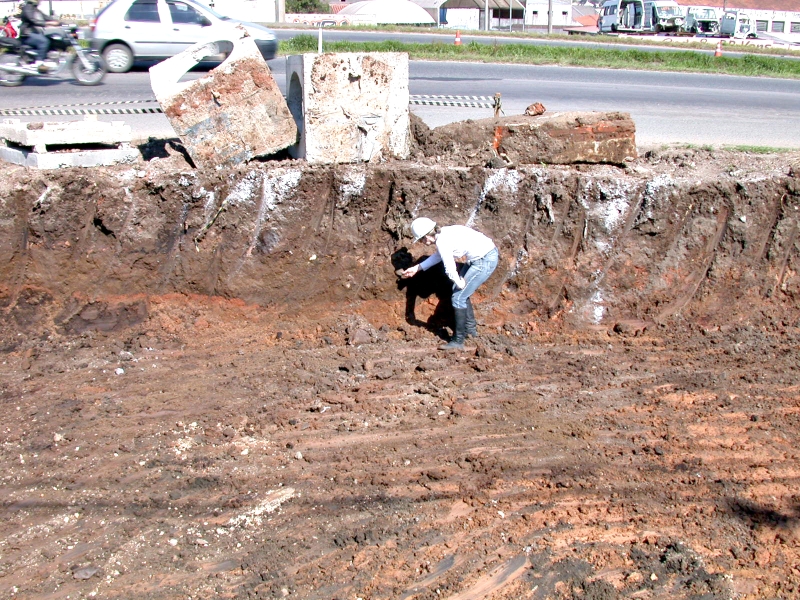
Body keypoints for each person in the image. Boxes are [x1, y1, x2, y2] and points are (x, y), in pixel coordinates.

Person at [401, 217, 499, 350]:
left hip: (484, 260)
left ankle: (458, 341)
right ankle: (471, 331)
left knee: (458, 297)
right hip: (481, 257)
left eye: (422, 239)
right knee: (460, 293)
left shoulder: (443, 241)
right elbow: (439, 256)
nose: (423, 242)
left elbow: (450, 269)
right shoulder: (444, 234)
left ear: (427, 235)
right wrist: (416, 268)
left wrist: (459, 282)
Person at [19, 0, 59, 71]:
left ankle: (48, 59)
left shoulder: (35, 9)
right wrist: (48, 23)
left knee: (51, 39)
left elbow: (46, 17)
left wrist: (60, 22)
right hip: (27, 34)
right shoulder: (28, 7)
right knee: (44, 41)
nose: (40, 1)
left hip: (35, 33)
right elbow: (33, 20)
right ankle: (39, 62)